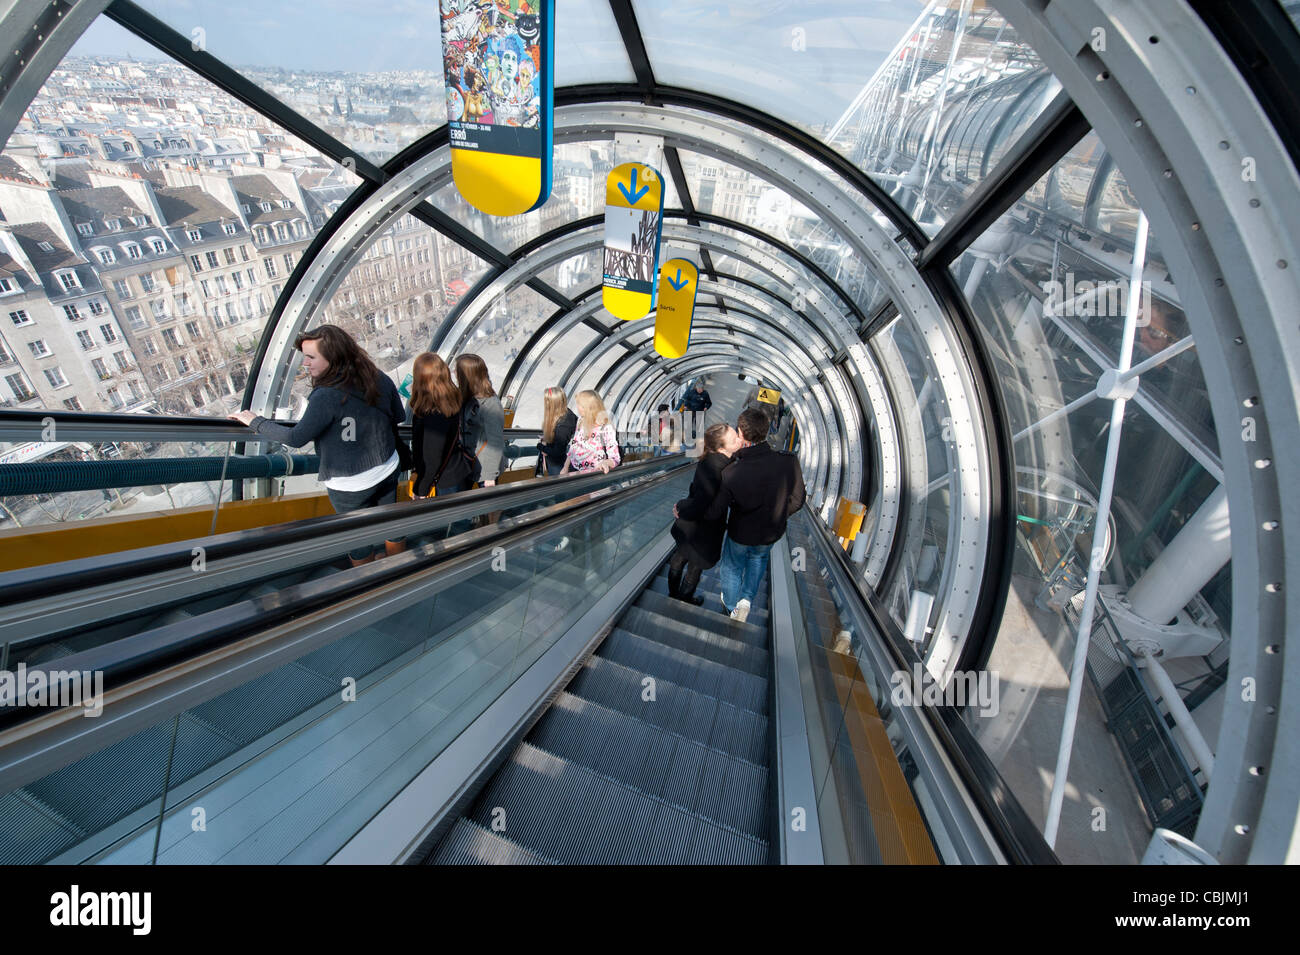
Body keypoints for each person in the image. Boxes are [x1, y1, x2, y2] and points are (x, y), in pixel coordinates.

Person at [229, 324, 406, 566]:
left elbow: (296, 438)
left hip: (349, 485)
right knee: (391, 521)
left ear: (333, 357)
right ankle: (399, 566)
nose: (305, 364)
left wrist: (256, 422)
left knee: (357, 536)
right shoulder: (378, 378)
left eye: (311, 357)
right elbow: (398, 416)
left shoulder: (326, 396)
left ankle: (369, 577)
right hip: (386, 467)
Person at [705, 408, 806, 622]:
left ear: (741, 433)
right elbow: (798, 500)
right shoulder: (788, 462)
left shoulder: (731, 472)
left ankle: (732, 607)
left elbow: (718, 510)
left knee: (732, 566)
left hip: (740, 532)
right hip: (771, 531)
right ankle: (746, 600)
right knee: (758, 559)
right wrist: (778, 513)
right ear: (767, 431)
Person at [667, 422, 739, 605]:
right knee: (694, 566)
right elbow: (701, 503)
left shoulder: (711, 459)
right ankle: (683, 599)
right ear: (722, 447)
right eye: (734, 438)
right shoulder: (718, 469)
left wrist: (683, 508)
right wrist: (682, 507)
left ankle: (673, 595)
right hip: (705, 529)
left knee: (680, 556)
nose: (739, 439)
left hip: (691, 525)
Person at [409, 351, 479, 498]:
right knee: (460, 518)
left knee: (451, 519)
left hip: (444, 482)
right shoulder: (451, 400)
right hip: (456, 470)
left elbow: (432, 459)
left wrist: (421, 490)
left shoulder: (433, 414)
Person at [455, 353, 504, 486]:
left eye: (457, 371)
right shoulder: (465, 398)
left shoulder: (490, 403)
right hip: (465, 464)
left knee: (487, 505)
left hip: (485, 468)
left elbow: (496, 440)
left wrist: (490, 476)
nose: (455, 374)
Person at [560, 390, 620, 474]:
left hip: (593, 472)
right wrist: (565, 467)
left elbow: (615, 458)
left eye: (579, 405)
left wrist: (605, 463)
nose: (577, 407)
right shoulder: (581, 420)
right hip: (574, 468)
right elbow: (574, 445)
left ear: (587, 407)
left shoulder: (605, 427)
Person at [536, 386, 577, 477]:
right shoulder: (560, 416)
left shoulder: (566, 420)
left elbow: (558, 451)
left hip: (560, 466)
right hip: (556, 464)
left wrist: (540, 446)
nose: (545, 403)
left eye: (547, 400)